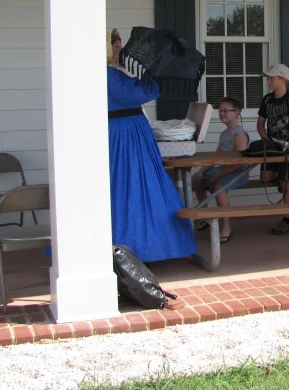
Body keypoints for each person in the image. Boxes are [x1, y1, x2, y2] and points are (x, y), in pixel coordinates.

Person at [106, 28, 197, 263]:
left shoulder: (112, 74)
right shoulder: (109, 76)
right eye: (116, 46)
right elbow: (146, 91)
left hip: (123, 131)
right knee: (138, 184)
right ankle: (144, 247)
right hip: (126, 134)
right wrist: (151, 74)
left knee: (127, 184)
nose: (121, 50)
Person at [192, 97, 250, 244]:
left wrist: (219, 175)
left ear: (236, 113)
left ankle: (226, 227)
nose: (222, 113)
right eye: (220, 110)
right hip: (223, 170)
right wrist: (202, 170)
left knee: (219, 188)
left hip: (238, 173)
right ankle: (205, 215)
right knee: (195, 179)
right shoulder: (224, 134)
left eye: (226, 111)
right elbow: (217, 157)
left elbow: (239, 163)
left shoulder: (240, 135)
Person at [257, 63, 289, 235]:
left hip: (286, 145)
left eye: (271, 78)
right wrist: (266, 140)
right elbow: (260, 123)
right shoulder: (267, 100)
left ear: (283, 79)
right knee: (265, 177)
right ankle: (279, 176)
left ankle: (287, 219)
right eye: (268, 78)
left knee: (286, 184)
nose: (268, 81)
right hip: (270, 146)